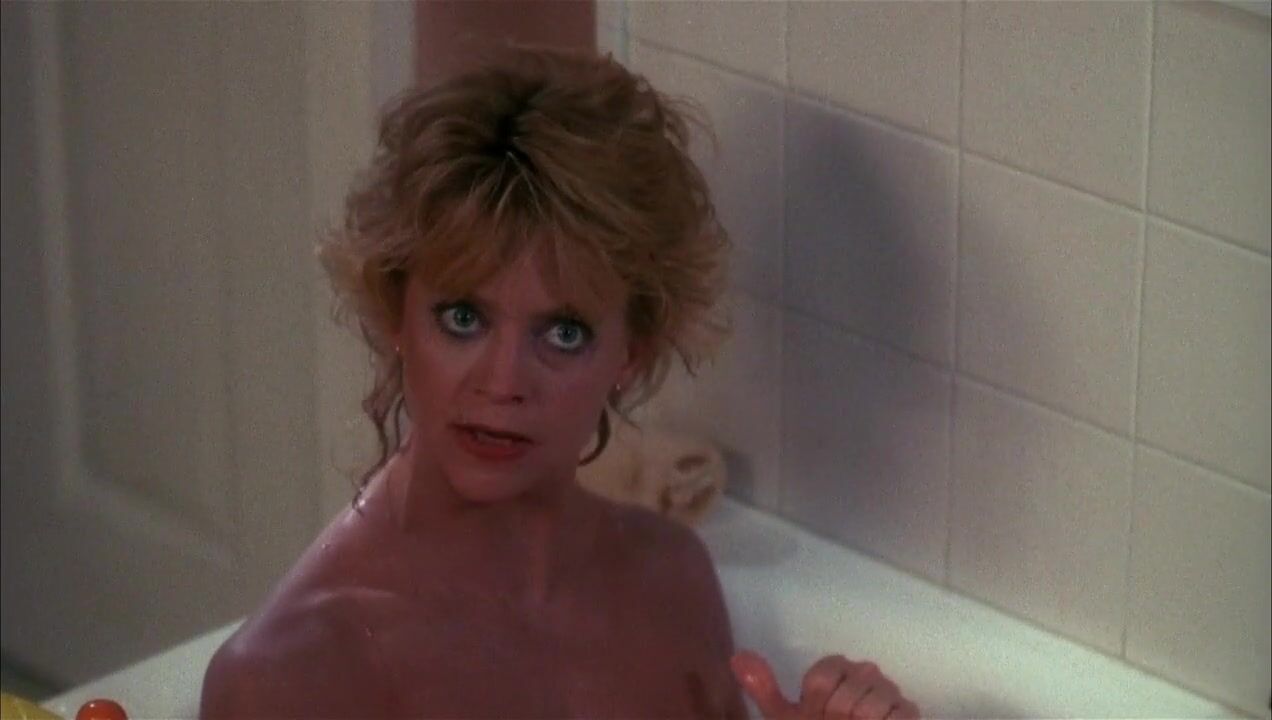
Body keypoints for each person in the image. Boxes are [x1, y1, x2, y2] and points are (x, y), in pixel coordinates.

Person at [199, 46, 920, 719]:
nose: (504, 382)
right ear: (396, 313)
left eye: (564, 333)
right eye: (462, 318)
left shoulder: (670, 581)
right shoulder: (294, 674)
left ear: (631, 351)